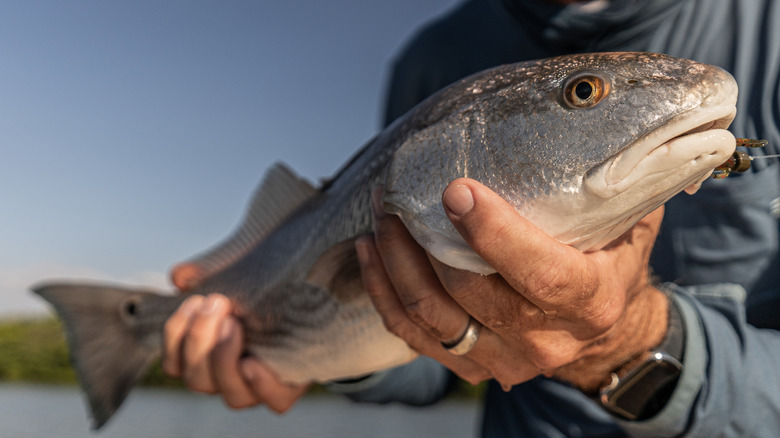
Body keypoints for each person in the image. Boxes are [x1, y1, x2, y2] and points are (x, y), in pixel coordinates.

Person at [162, 0, 780, 436]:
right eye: (583, 93)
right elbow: (432, 375)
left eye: (583, 91)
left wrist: (641, 345)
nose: (587, 97)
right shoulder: (435, 59)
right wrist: (310, 358)